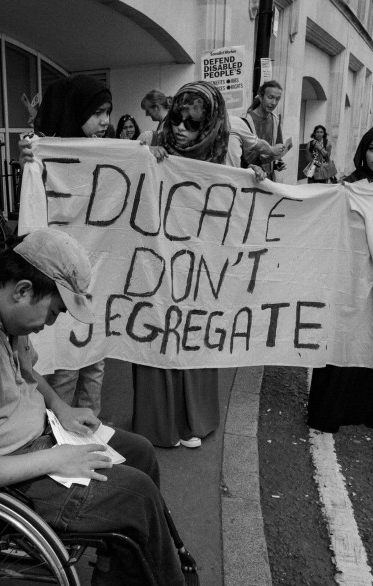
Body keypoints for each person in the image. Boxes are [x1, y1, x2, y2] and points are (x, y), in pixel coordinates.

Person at [0, 228, 213, 586]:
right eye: (53, 312)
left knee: (140, 453)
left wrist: (61, 407)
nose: (50, 324)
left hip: (40, 438)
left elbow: (27, 371)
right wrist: (54, 458)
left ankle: (112, 579)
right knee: (137, 495)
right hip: (8, 476)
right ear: (22, 290)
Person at [140, 81, 264, 449]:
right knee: (156, 335)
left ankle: (192, 420)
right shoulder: (152, 148)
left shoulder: (223, 155)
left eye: (191, 123)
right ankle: (159, 421)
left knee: (192, 336)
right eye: (176, 119)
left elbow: (237, 208)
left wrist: (256, 179)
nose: (180, 128)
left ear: (207, 124)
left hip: (200, 267)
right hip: (156, 264)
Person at [307, 122, 373, 433]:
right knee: (342, 344)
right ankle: (332, 411)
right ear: (363, 150)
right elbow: (309, 209)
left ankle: (370, 410)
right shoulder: (347, 188)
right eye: (372, 148)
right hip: (349, 284)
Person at [27, 74, 113, 416]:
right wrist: (29, 161)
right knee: (65, 365)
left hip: (98, 274)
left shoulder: (113, 153)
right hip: (60, 279)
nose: (105, 121)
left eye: (108, 112)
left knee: (94, 364)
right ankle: (61, 434)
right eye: (97, 113)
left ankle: (91, 432)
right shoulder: (45, 154)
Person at [243, 80, 288, 181]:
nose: (274, 103)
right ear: (260, 96)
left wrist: (277, 163)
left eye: (277, 99)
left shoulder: (275, 119)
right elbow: (243, 155)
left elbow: (278, 145)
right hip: (252, 178)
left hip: (270, 179)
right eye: (270, 97)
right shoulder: (246, 120)